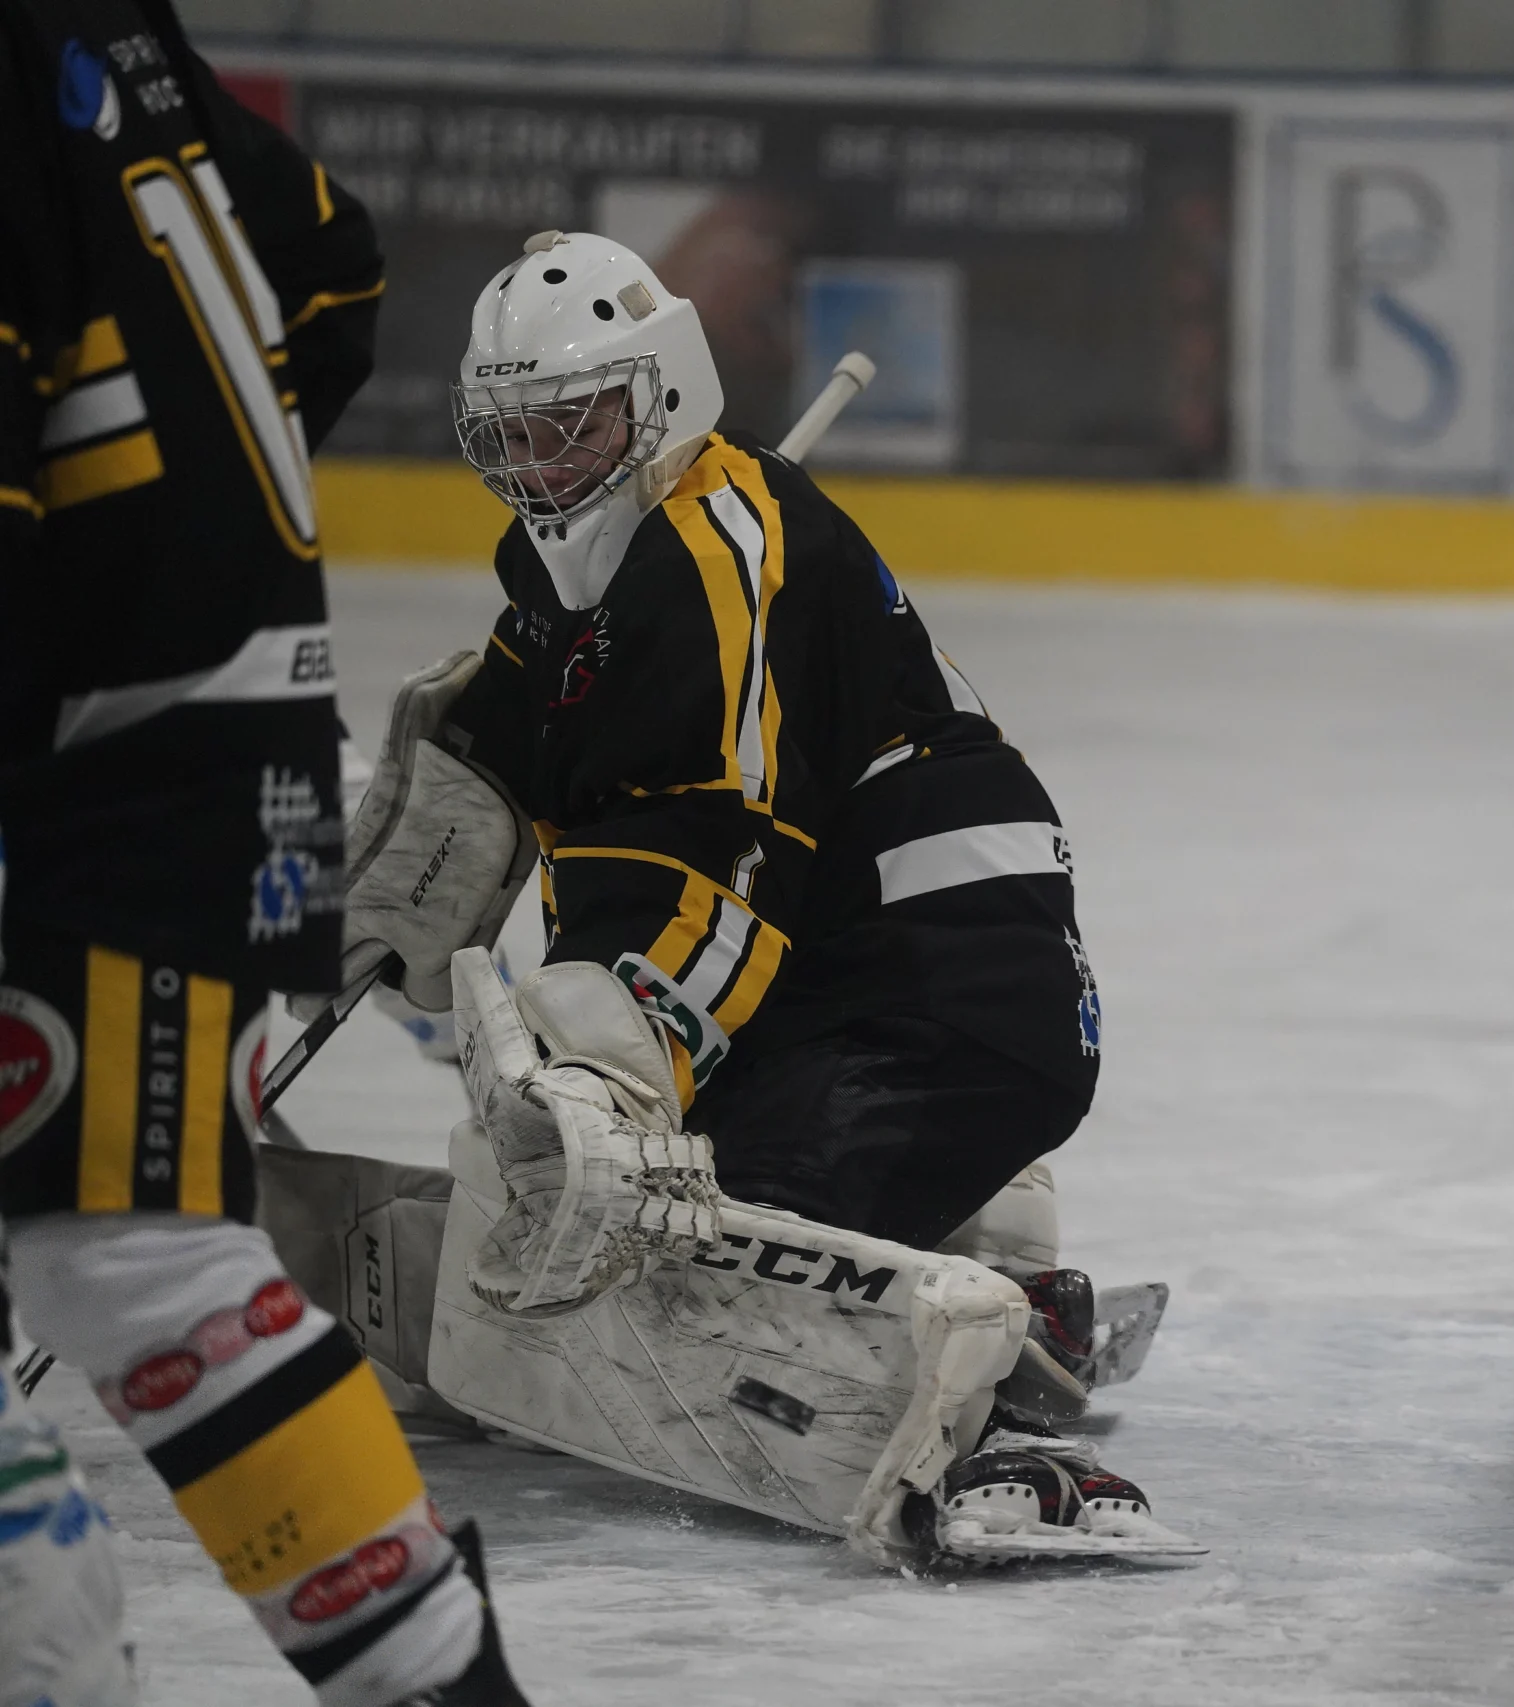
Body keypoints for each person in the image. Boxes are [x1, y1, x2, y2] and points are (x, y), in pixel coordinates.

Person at [325, 227, 1181, 1557]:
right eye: (517, 435)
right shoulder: (605, 571)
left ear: (661, 393)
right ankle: (1000, 1251)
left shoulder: (716, 556)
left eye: (576, 425)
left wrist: (612, 1067)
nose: (544, 468)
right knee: (665, 1207)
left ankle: (996, 1386)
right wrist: (442, 803)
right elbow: (548, 740)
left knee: (688, 1252)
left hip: (946, 1000)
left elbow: (707, 858)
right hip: (855, 985)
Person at [0, 1, 536, 1700]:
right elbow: (330, 260)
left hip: (105, 742)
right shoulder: (94, 24)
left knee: (133, 1254)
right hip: (206, 721)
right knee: (131, 1252)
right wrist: (191, 542)